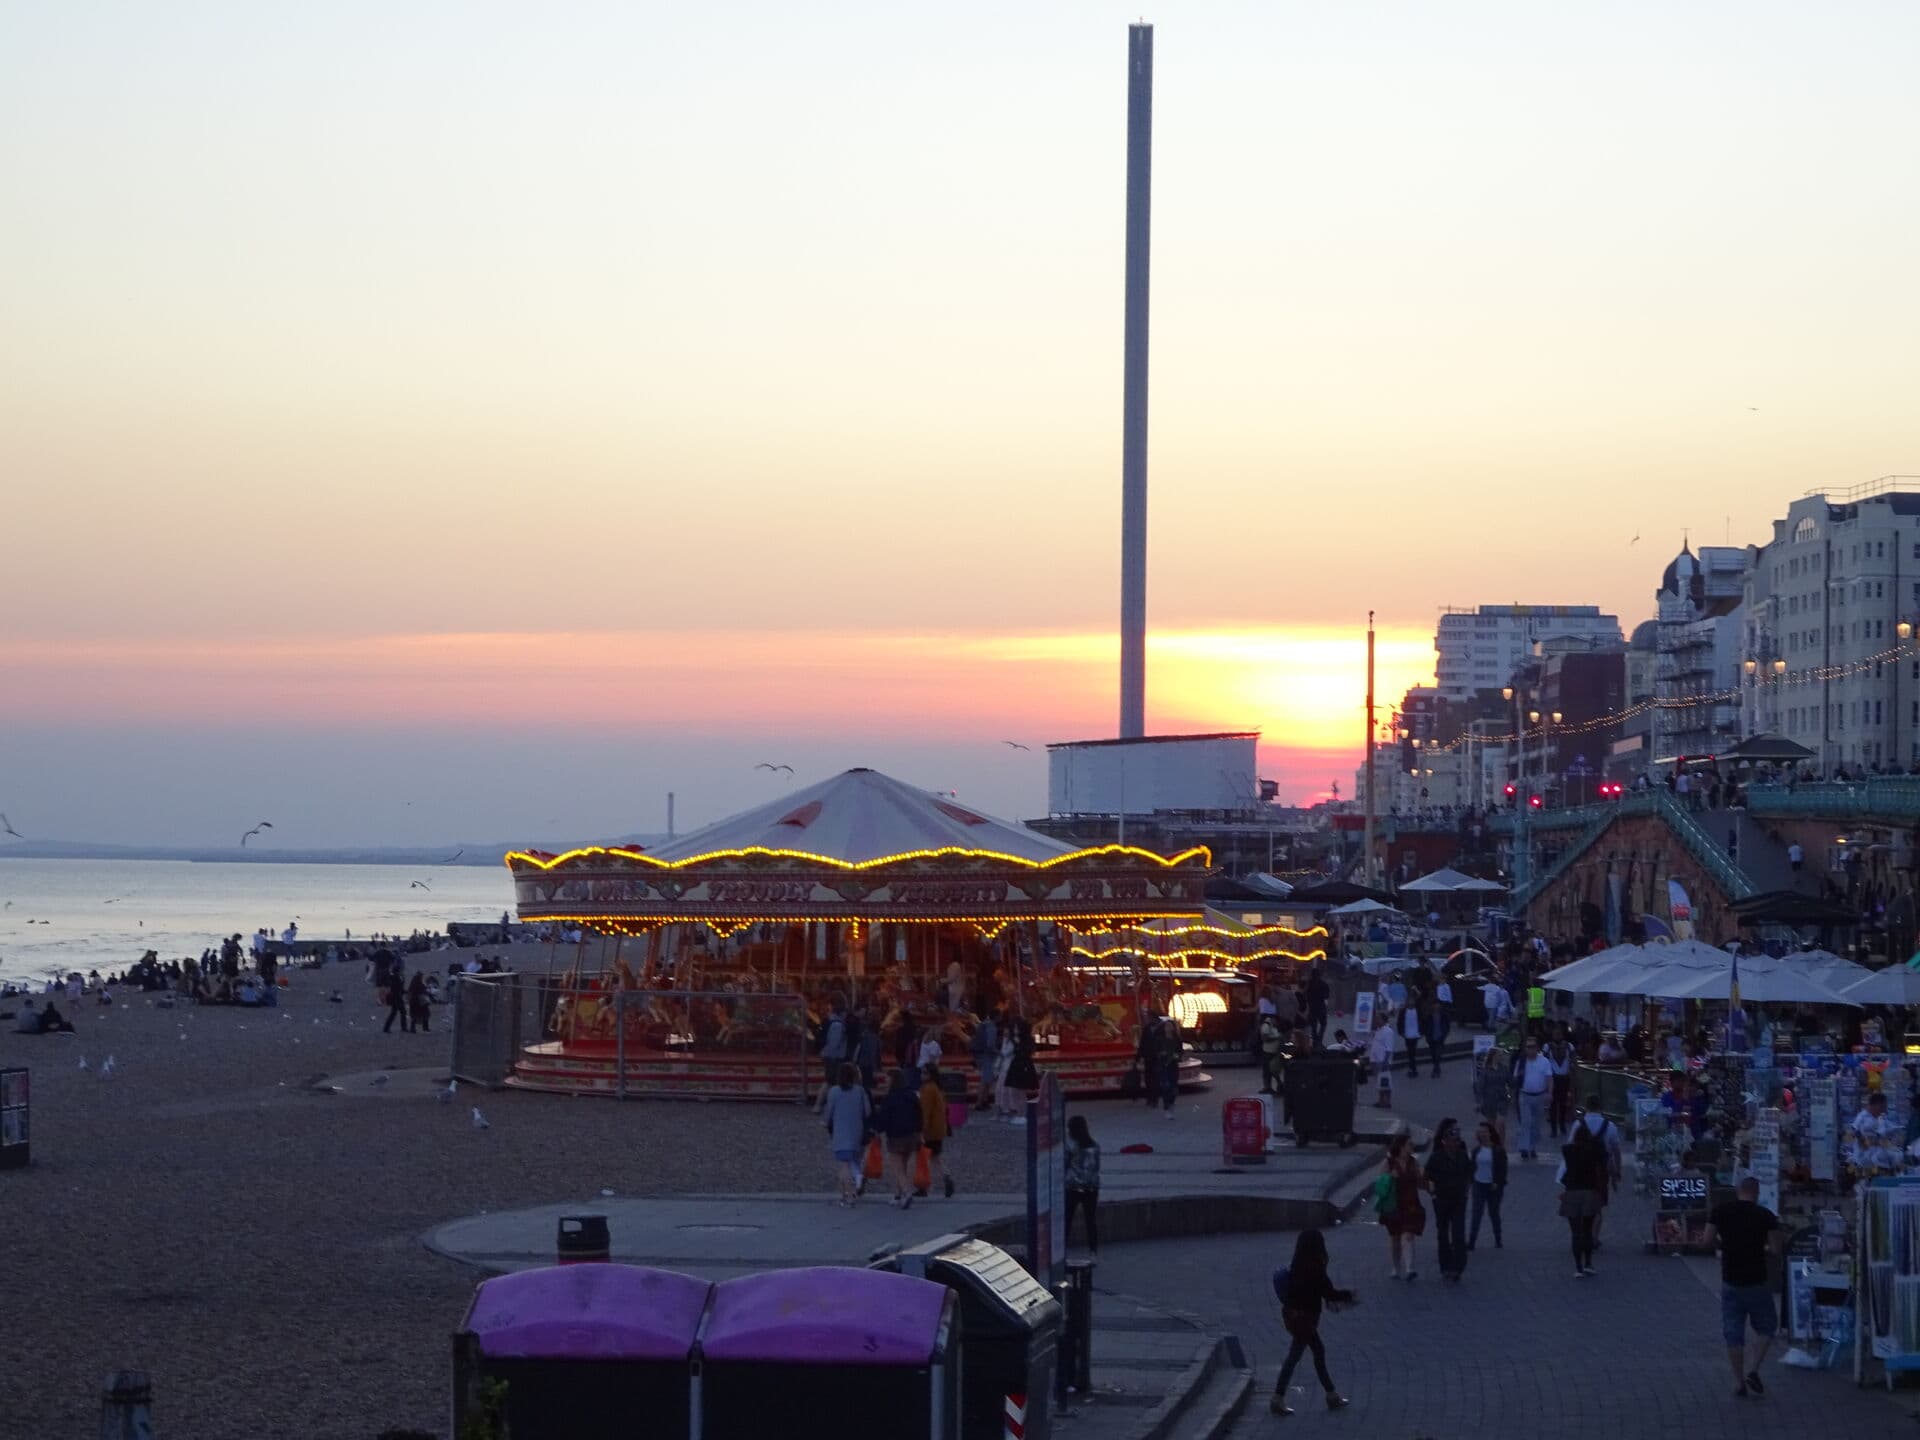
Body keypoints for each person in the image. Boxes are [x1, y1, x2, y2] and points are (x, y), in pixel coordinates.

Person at [1706, 1176, 1783, 1398]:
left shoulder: (1721, 1211)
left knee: (1733, 1333)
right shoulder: (1765, 1216)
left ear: (1737, 1191)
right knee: (1767, 1327)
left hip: (1730, 1279)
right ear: (1757, 1192)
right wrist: (1766, 1246)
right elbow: (1776, 1249)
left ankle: (1739, 1382)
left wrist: (1723, 1245)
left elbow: (1706, 1240)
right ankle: (1753, 1369)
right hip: (1757, 1280)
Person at [1268, 1228, 1353, 1416]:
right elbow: (1329, 1292)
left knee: (1316, 1351)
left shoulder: (1297, 1264)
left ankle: (1331, 1394)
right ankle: (1278, 1397)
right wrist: (1349, 1296)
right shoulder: (1315, 1268)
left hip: (1294, 1317)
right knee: (1295, 1356)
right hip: (1305, 1320)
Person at [1426, 1118, 1473, 1281]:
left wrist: (1466, 1189)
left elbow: (1469, 1173)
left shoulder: (1462, 1156)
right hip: (1442, 1200)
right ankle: (1445, 1265)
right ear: (1445, 1141)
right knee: (1443, 1234)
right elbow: (1428, 1176)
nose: (1455, 1143)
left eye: (1457, 1140)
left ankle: (1458, 1266)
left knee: (1459, 1234)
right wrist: (1433, 1193)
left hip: (1459, 1200)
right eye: (1453, 1140)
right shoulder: (1437, 1157)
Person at [1557, 1122, 1606, 1277]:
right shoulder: (1593, 1151)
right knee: (1587, 1229)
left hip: (1572, 1193)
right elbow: (1600, 1169)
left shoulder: (1567, 1150)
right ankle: (1588, 1263)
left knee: (1575, 1232)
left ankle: (1578, 1267)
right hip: (1589, 1192)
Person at [821, 1063, 871, 1207]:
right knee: (852, 1161)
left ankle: (849, 1195)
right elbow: (867, 1112)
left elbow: (829, 1112)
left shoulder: (834, 1091)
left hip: (841, 1132)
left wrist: (826, 1122)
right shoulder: (860, 1091)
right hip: (856, 1131)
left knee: (844, 1166)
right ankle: (845, 1194)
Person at [1379, 1132, 1427, 1280]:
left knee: (1408, 1234)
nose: (1412, 1147)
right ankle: (1395, 1267)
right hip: (1393, 1205)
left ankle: (1409, 1268)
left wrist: (1426, 1181)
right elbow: (1380, 1185)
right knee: (1395, 1237)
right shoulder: (1389, 1163)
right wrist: (1389, 1177)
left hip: (1411, 1204)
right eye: (1410, 1144)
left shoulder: (1414, 1162)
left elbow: (1420, 1182)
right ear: (1401, 1146)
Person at [1579, 1094, 1624, 1243]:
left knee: (1583, 1202)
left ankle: (1584, 1232)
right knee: (1597, 1205)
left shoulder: (1578, 1124)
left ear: (1586, 1106)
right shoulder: (1609, 1126)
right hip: (1601, 1170)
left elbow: (1570, 1148)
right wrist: (1617, 1170)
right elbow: (1616, 1150)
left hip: (1582, 1169)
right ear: (1600, 1107)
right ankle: (1594, 1237)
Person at [877, 1068, 924, 1209]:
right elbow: (919, 1114)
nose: (885, 1081)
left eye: (887, 1079)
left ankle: (907, 1192)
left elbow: (883, 1118)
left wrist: (877, 1130)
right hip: (913, 1134)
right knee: (904, 1165)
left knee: (897, 1168)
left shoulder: (889, 1098)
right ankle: (897, 1195)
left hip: (896, 1135)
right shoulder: (912, 1095)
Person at [1467, 1120, 1507, 1250]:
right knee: (1476, 1213)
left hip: (1493, 1186)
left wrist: (1497, 1182)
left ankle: (1498, 1238)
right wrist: (1470, 1181)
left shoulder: (1498, 1150)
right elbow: (1472, 1167)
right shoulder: (1476, 1151)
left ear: (1490, 1133)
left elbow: (1503, 1169)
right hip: (1479, 1184)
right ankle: (1472, 1241)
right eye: (1480, 1132)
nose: (1483, 1134)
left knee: (1494, 1213)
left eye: (1485, 1132)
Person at [1065, 1114, 1101, 1254]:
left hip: (1073, 1187)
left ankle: (1062, 1248)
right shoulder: (1095, 1145)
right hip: (1092, 1188)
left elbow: (1065, 1164)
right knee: (1090, 1221)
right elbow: (1097, 1167)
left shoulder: (1071, 1146)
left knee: (1067, 1219)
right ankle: (1093, 1250)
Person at [918, 1064, 954, 1198]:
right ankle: (946, 1176)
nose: (922, 1075)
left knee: (924, 1158)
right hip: (939, 1129)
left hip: (930, 1130)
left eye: (924, 1073)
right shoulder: (938, 1088)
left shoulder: (927, 1089)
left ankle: (923, 1186)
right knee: (935, 1158)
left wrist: (921, 1130)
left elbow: (925, 1111)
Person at [1516, 1036, 1554, 1159]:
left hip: (1539, 1095)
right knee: (1526, 1122)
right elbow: (1516, 1078)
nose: (1530, 1049)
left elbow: (1549, 1078)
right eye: (1528, 1047)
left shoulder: (1544, 1061)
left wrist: (1549, 1092)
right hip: (1525, 1095)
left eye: (1532, 1047)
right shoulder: (1521, 1062)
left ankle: (1532, 1147)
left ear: (1537, 1048)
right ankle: (1524, 1148)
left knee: (1536, 1124)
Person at [1544, 1027, 1575, 1136]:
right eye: (1555, 1034)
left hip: (1565, 1078)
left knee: (1563, 1104)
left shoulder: (1569, 1046)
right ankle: (1553, 1129)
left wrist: (1572, 1075)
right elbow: (1545, 1062)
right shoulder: (1547, 1047)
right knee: (1553, 1104)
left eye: (1559, 1034)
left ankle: (1562, 1126)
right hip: (1553, 1078)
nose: (1557, 1036)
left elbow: (1572, 1061)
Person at [969, 1008, 1000, 1112]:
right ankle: (979, 1103)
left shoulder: (983, 1024)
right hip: (986, 1055)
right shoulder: (991, 1027)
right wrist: (998, 1052)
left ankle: (984, 1100)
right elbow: (990, 1044)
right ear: (997, 1017)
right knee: (986, 1079)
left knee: (988, 1078)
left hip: (979, 1054)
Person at [1258, 1011, 1284, 1096]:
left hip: (1273, 1052)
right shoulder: (1266, 1026)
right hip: (1268, 1052)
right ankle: (1268, 1087)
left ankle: (1272, 1087)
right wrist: (1277, 1037)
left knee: (1272, 1070)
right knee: (1268, 1071)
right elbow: (1265, 1038)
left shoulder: (1272, 1026)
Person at [1304, 964, 1331, 1049]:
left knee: (1313, 1025)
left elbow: (1305, 995)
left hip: (1312, 1008)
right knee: (1323, 1024)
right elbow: (1327, 996)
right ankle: (1319, 1040)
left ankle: (1315, 1041)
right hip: (1321, 1007)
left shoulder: (1308, 984)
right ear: (1319, 975)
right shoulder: (1324, 984)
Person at [383, 960, 411, 1034]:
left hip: (397, 997)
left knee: (396, 1012)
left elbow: (398, 988)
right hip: (396, 997)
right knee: (398, 1012)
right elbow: (396, 988)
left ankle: (387, 1028)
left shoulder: (396, 977)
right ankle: (402, 1027)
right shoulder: (395, 977)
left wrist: (404, 991)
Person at [1400, 1000, 1423, 1079]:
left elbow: (1422, 1021)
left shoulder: (1418, 1011)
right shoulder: (1403, 1012)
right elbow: (1399, 1022)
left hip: (1415, 1034)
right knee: (1410, 1052)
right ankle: (1412, 1068)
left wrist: (1421, 1032)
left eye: (1412, 1002)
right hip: (1407, 1035)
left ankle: (1412, 1068)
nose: (1410, 1003)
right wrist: (1401, 1032)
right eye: (1409, 1002)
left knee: (1412, 1052)